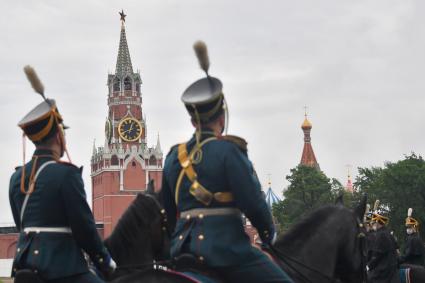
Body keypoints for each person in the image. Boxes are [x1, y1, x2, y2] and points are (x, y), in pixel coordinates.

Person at [161, 41, 292, 283]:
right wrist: (268, 234)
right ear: (222, 116)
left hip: (182, 252)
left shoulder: (172, 158)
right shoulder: (228, 151)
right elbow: (253, 202)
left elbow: (167, 214)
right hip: (227, 253)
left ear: (192, 121)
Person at [9, 66, 116, 283]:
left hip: (25, 269)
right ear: (59, 136)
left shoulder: (16, 178)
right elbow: (84, 228)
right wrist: (106, 262)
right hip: (62, 270)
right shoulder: (66, 175)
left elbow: (22, 226)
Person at [367, 201, 400, 283]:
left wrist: (369, 266)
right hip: (392, 267)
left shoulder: (380, 235)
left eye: (374, 222)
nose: (373, 224)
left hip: (384, 269)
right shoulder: (387, 233)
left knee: (368, 279)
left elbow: (377, 255)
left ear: (378, 223)